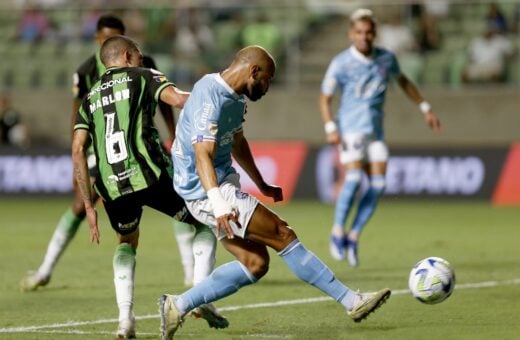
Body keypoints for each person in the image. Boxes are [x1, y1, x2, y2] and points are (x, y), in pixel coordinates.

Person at [156, 45, 391, 340]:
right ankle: (351, 301)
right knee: (282, 233)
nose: (267, 87)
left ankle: (177, 305)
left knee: (256, 264)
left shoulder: (236, 99)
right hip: (205, 191)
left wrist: (261, 182)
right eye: (267, 79)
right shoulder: (209, 94)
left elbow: (237, 141)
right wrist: (217, 203)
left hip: (217, 187)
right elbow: (202, 153)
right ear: (254, 71)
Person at [19, 14, 210, 293]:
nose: (108, 39)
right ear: (98, 39)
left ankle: (188, 272)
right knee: (83, 207)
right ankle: (45, 270)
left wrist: (173, 136)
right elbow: (77, 116)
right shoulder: (85, 71)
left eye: (115, 34)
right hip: (100, 151)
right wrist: (79, 162)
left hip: (138, 145)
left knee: (170, 202)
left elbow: (166, 104)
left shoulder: (144, 65)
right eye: (105, 36)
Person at [72, 35, 227, 339]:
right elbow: (181, 100)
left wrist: (89, 205)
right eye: (140, 57)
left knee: (126, 242)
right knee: (205, 223)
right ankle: (198, 297)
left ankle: (124, 321)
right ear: (128, 55)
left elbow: (77, 149)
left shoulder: (89, 97)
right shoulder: (142, 76)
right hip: (151, 174)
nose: (143, 61)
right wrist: (220, 90)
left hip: (111, 186)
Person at [319, 9, 441, 267]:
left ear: (375, 33)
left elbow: (404, 81)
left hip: (375, 131)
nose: (364, 37)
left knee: (378, 185)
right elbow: (325, 97)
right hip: (351, 128)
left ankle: (353, 236)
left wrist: (425, 108)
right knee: (352, 178)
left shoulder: (386, 58)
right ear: (351, 34)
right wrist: (331, 127)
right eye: (359, 32)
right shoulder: (341, 63)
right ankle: (337, 231)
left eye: (368, 32)